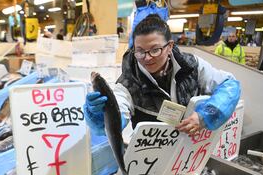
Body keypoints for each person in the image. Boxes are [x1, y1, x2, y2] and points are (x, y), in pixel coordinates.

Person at [84, 14, 240, 136]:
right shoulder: (127, 83)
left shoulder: (192, 66)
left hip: (189, 148)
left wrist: (205, 117)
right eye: (140, 51)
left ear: (169, 46)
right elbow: (114, 122)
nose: (147, 58)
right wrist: (98, 115)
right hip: (150, 155)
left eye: (155, 50)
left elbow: (229, 85)